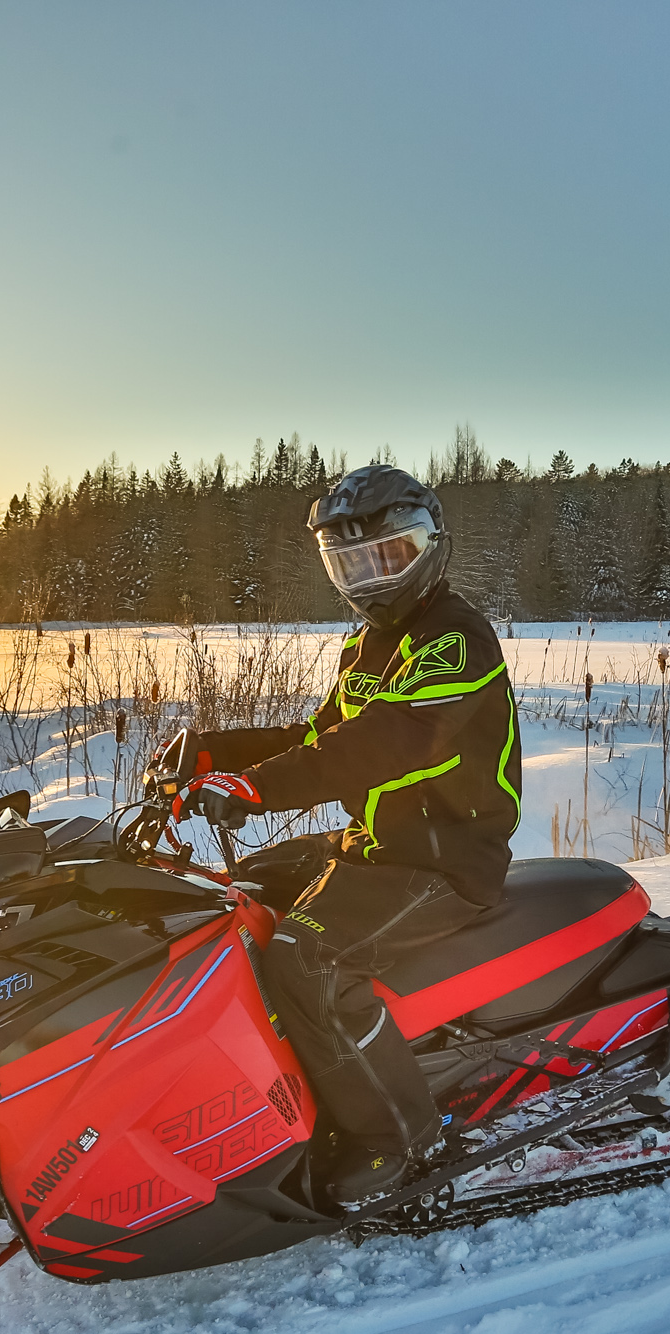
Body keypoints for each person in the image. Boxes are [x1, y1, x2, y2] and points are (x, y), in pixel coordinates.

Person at [158, 466, 522, 1207]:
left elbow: (390, 741)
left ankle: (401, 1142)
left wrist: (260, 789)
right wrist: (215, 752)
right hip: (380, 844)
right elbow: (322, 737)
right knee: (243, 898)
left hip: (445, 861)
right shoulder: (370, 644)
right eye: (352, 562)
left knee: (305, 958)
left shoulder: (455, 640)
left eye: (388, 555)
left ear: (429, 548)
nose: (370, 577)